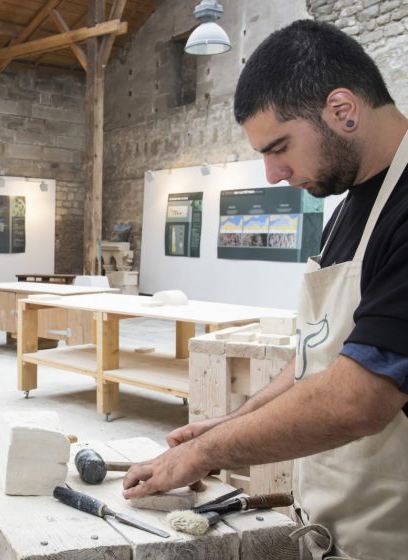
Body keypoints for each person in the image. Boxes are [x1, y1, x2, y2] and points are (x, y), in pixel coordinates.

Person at [122, 20, 408, 560]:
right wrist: (233, 421)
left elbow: (358, 399)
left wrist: (206, 452)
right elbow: (318, 358)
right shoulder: (348, 206)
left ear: (343, 110)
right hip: (335, 527)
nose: (273, 174)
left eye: (279, 147)